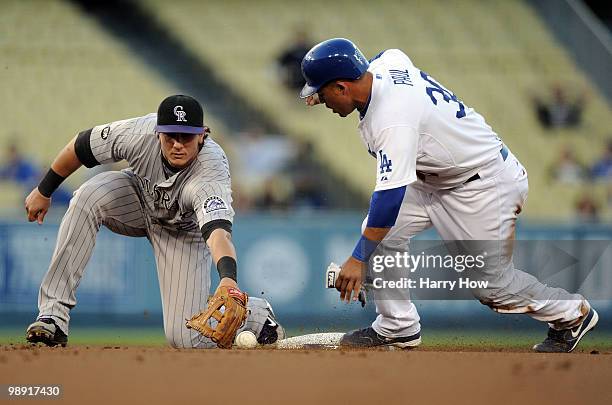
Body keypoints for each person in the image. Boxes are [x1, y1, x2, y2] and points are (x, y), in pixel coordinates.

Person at [300, 38, 598, 353]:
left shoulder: (392, 121)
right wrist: (365, 255)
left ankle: (571, 314)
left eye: (321, 92)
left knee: (493, 287)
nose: (320, 100)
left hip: (481, 185)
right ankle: (396, 328)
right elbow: (386, 54)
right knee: (380, 235)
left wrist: (358, 260)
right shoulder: (385, 65)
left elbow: (388, 202)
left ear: (342, 87)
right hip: (436, 178)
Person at [24, 95, 283, 348]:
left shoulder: (210, 172)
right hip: (137, 198)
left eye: (187, 136)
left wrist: (229, 280)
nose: (178, 145)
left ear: (203, 134)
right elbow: (81, 145)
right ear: (158, 132)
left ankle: (256, 314)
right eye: (170, 135)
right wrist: (44, 190)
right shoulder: (137, 134)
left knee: (184, 338)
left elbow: (218, 234)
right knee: (88, 195)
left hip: (182, 231)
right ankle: (53, 316)